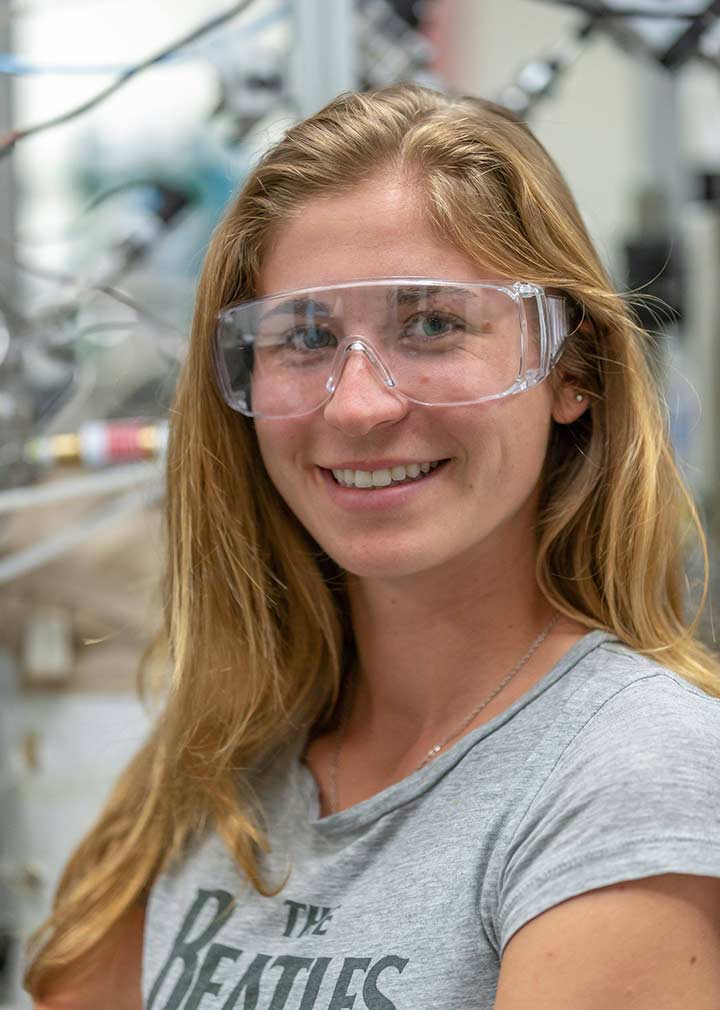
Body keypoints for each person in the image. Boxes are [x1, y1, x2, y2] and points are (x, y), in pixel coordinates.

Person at [26, 83, 720, 1010]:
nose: (358, 405)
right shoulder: (224, 753)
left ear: (572, 369)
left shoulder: (630, 768)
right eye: (305, 337)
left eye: (432, 325)